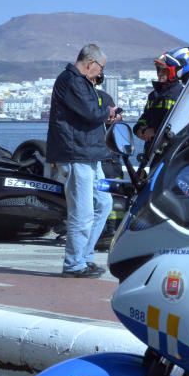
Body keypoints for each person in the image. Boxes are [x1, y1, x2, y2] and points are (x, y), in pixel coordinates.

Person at [46, 43, 119, 278]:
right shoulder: (72, 81)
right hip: (76, 154)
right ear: (91, 63)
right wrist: (107, 113)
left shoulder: (82, 82)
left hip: (90, 153)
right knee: (83, 212)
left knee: (103, 204)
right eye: (101, 68)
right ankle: (74, 264)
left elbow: (89, 115)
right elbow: (90, 113)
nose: (101, 73)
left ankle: (84, 256)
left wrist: (105, 115)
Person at [133, 47, 189, 155]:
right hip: (151, 153)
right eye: (158, 69)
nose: (160, 73)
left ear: (174, 72)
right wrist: (140, 129)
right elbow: (144, 118)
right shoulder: (153, 95)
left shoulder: (182, 96)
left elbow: (184, 127)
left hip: (172, 154)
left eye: (164, 70)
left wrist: (155, 132)